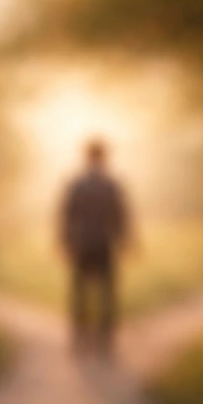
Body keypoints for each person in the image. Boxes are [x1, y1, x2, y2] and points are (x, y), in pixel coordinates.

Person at [58, 138, 133, 354]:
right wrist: (124, 240)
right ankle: (103, 338)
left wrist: (66, 241)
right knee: (105, 291)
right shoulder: (111, 184)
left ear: (86, 156)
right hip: (103, 242)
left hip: (83, 242)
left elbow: (67, 215)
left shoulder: (76, 183)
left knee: (81, 291)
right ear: (104, 157)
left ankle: (81, 336)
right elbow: (121, 215)